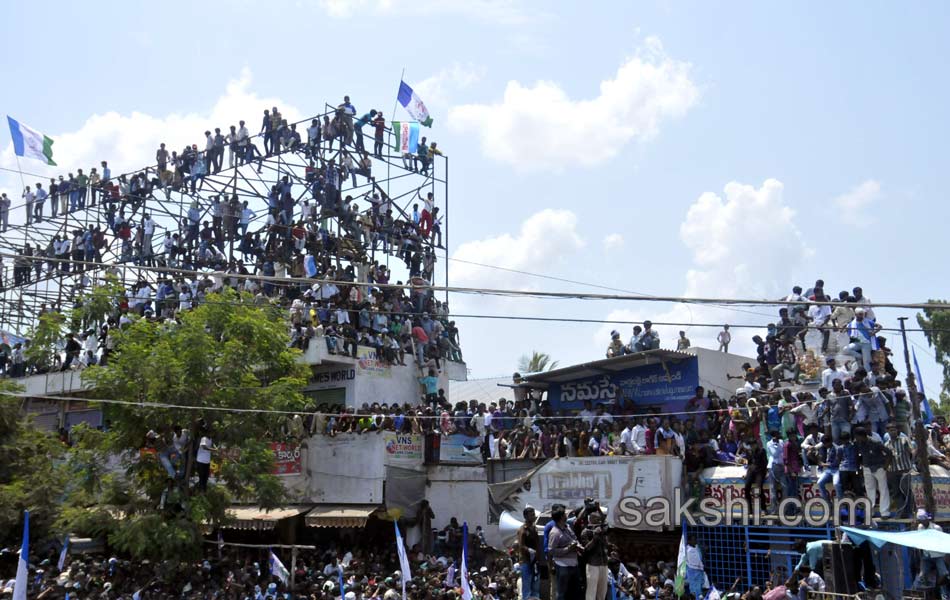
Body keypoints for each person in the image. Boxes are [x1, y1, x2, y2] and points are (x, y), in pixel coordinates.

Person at [547, 507, 581, 600]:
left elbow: (574, 538)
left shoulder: (567, 527)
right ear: (562, 517)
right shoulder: (555, 533)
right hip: (563, 566)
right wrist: (568, 549)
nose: (567, 515)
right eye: (565, 514)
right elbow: (551, 551)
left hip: (574, 564)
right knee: (562, 593)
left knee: (574, 592)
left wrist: (578, 546)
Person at [580, 510, 609, 600]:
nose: (599, 521)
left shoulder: (602, 530)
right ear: (591, 519)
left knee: (602, 591)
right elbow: (586, 549)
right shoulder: (586, 531)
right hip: (593, 565)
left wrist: (599, 509)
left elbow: (606, 522)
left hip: (603, 563)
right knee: (591, 591)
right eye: (597, 519)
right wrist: (595, 536)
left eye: (600, 519)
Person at [517, 506, 541, 600]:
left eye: (534, 514)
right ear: (526, 516)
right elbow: (521, 546)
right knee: (527, 589)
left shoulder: (534, 528)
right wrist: (530, 550)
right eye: (532, 515)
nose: (534, 516)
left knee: (535, 587)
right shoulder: (522, 530)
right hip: (526, 562)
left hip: (535, 562)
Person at [196, 427, 214, 492]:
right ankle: (201, 491)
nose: (211, 434)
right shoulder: (204, 438)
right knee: (202, 477)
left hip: (207, 461)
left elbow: (211, 448)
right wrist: (214, 450)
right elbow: (204, 447)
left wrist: (214, 450)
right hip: (201, 461)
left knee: (206, 477)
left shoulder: (210, 439)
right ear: (207, 433)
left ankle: (204, 491)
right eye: (210, 433)